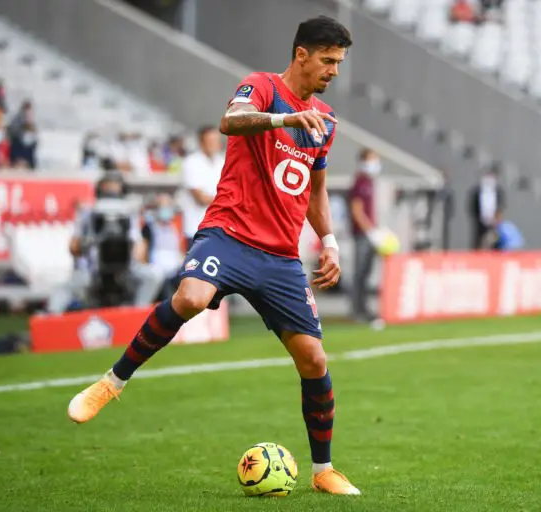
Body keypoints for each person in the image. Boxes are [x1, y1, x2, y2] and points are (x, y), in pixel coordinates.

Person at [67, 16, 360, 496]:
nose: (334, 71)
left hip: (280, 255)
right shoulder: (262, 87)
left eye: (339, 63)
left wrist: (329, 242)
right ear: (301, 54)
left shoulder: (324, 121)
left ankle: (323, 469)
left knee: (313, 358)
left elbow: (315, 190)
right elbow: (231, 122)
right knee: (191, 297)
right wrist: (284, 119)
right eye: (328, 60)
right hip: (229, 233)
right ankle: (111, 383)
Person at [46, 172, 162, 313]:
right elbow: (73, 248)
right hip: (93, 271)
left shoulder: (129, 214)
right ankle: (50, 318)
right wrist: (86, 243)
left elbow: (139, 249)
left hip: (125, 271)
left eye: (115, 186)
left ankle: (136, 314)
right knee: (62, 289)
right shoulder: (87, 213)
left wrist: (134, 249)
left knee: (152, 276)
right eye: (108, 186)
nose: (112, 190)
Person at [348, 148, 381, 322]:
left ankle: (364, 308)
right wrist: (369, 231)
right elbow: (357, 210)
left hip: (369, 234)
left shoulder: (369, 182)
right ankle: (357, 311)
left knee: (367, 273)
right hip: (362, 234)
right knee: (360, 273)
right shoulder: (360, 182)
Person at [182, 126, 224, 248]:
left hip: (218, 230)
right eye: (211, 141)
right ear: (202, 142)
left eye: (216, 140)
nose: (215, 144)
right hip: (196, 230)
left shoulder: (222, 161)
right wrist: (227, 200)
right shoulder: (191, 162)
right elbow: (200, 198)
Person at [468, 164, 505, 250]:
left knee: (494, 241)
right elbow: (473, 206)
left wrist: (496, 218)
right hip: (480, 221)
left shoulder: (498, 191)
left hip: (494, 222)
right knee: (478, 241)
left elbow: (501, 206)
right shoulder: (477, 191)